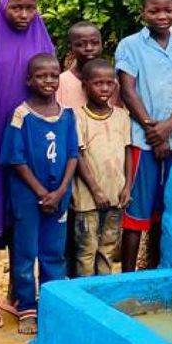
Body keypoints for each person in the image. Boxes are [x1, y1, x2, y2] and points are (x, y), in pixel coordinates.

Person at [0, 0, 57, 328]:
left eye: (30, 7)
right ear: (4, 6)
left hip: (33, 147)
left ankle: (16, 292)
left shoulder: (43, 40)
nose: (24, 14)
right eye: (16, 7)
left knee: (21, 217)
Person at [115, 0, 172, 272]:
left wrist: (169, 127)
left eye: (168, 10)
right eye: (155, 11)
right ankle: (127, 277)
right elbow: (128, 90)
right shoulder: (130, 46)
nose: (162, 16)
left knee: (170, 209)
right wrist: (153, 130)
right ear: (143, 13)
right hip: (142, 140)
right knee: (136, 213)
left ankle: (161, 269)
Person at [0, 53, 78, 334]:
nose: (48, 81)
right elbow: (15, 158)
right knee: (25, 250)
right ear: (29, 80)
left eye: (53, 76)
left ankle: (51, 302)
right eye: (41, 76)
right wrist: (41, 191)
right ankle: (26, 307)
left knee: (54, 251)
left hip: (59, 195)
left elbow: (72, 155)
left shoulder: (67, 114)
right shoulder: (21, 115)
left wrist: (59, 192)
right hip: (28, 196)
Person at [72, 57, 131, 277]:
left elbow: (127, 152)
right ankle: (84, 296)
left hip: (116, 194)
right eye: (98, 83)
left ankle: (103, 291)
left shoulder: (122, 116)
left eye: (109, 83)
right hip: (87, 198)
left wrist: (127, 187)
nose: (104, 88)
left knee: (108, 248)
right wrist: (95, 190)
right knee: (86, 250)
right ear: (85, 85)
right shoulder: (77, 116)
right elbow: (78, 155)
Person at [57, 21, 104, 111]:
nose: (89, 48)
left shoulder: (111, 82)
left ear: (101, 45)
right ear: (70, 47)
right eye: (80, 44)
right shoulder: (60, 83)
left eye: (94, 43)